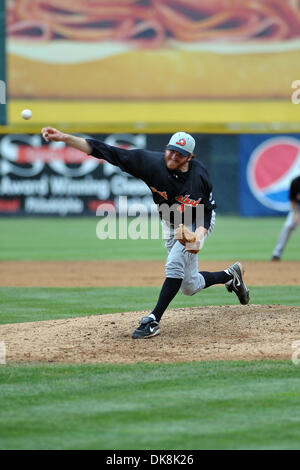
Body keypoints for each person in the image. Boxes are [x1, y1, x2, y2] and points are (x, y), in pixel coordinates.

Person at [41, 127, 250, 339]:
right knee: (189, 285)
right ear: (166, 149)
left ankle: (153, 320)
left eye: (180, 154)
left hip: (196, 221)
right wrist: (65, 138)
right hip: (171, 221)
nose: (173, 156)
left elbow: (206, 209)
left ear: (190, 157)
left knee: (174, 263)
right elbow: (105, 150)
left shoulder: (199, 176)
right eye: (171, 150)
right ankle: (230, 275)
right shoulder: (149, 163)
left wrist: (198, 235)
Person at [271, 175, 300, 261]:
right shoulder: (296, 182)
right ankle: (277, 254)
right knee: (288, 226)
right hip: (297, 207)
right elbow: (292, 199)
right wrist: (295, 214)